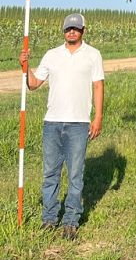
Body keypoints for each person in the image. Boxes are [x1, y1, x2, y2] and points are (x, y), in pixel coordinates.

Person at [19, 12, 105, 239]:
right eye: (68, 29)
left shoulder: (93, 55)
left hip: (79, 124)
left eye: (75, 28)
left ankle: (71, 221)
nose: (71, 32)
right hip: (52, 123)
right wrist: (25, 67)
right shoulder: (52, 55)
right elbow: (34, 84)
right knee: (50, 173)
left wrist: (98, 117)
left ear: (83, 30)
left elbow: (98, 86)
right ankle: (49, 218)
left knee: (75, 174)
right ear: (64, 31)